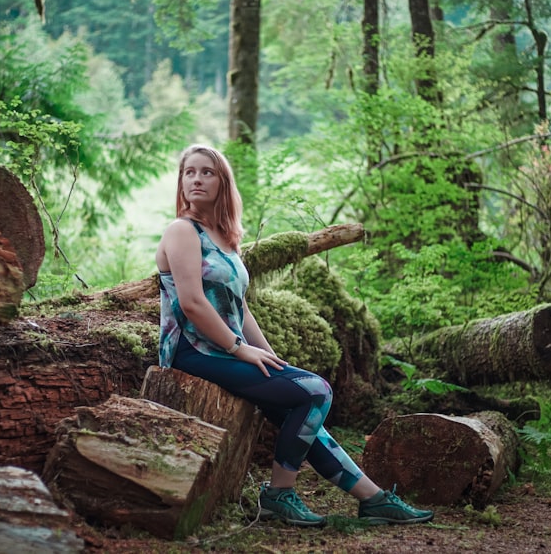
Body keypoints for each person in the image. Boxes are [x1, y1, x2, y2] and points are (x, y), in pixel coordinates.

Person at [155, 144, 434, 527]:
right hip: (194, 351)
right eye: (190, 172)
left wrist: (269, 357)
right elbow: (193, 304)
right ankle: (278, 495)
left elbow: (241, 308)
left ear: (223, 182)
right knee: (317, 391)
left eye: (207, 172)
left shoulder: (223, 237)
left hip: (227, 350)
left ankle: (374, 499)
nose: (197, 179)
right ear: (181, 182)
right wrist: (240, 350)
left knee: (301, 405)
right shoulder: (181, 231)